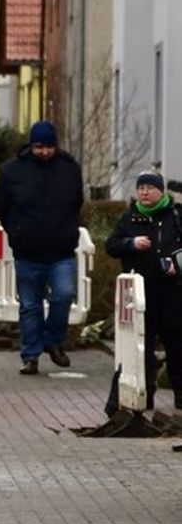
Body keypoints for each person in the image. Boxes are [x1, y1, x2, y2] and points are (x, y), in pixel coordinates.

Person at [0, 121, 84, 375]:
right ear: (31, 145)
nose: (44, 152)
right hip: (27, 251)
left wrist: (67, 228)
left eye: (49, 147)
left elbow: (77, 201)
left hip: (61, 250)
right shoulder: (12, 172)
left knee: (64, 295)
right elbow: (1, 206)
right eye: (39, 147)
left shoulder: (69, 168)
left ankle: (53, 340)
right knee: (30, 306)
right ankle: (31, 355)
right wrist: (17, 231)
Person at [105, 171, 182, 411]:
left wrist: (177, 266)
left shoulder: (176, 216)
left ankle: (181, 395)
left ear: (161, 191)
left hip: (173, 294)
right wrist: (131, 244)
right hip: (140, 296)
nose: (144, 192)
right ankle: (144, 396)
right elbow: (111, 246)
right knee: (143, 350)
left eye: (150, 187)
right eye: (141, 188)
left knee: (177, 347)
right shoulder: (130, 218)